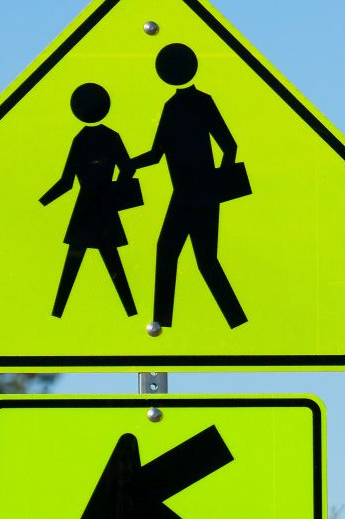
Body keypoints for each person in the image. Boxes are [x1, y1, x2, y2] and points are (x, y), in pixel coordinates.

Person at [134, 43, 247, 329]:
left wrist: (218, 185)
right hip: (188, 195)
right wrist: (129, 164)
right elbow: (157, 154)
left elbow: (229, 145)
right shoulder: (175, 106)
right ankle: (165, 323)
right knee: (181, 255)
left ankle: (234, 321)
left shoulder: (195, 103)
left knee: (197, 259)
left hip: (198, 195)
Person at [40, 82, 138, 319]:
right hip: (103, 206)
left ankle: (58, 313)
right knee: (110, 261)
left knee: (77, 262)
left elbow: (66, 182)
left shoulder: (81, 139)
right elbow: (128, 168)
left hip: (85, 209)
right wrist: (115, 191)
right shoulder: (111, 137)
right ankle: (131, 312)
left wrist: (43, 201)